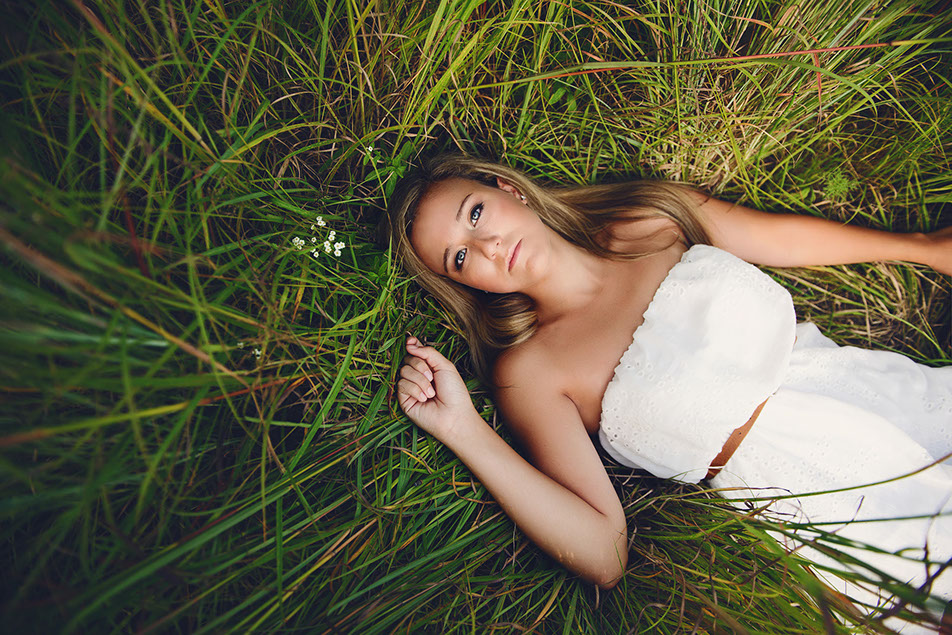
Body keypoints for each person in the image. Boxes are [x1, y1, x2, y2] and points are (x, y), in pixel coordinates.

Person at [386, 154, 952, 630]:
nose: (485, 247)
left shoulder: (647, 220)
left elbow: (777, 238)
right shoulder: (532, 372)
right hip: (810, 496)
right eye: (459, 258)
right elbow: (603, 552)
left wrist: (925, 248)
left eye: (476, 213)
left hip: (866, 390)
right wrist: (463, 429)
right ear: (465, 284)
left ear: (509, 189)